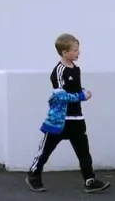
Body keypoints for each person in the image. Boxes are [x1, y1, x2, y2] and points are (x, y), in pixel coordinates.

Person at [27, 33, 109, 193]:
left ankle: (89, 180)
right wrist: (81, 96)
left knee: (84, 151)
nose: (79, 53)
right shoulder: (59, 71)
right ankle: (34, 175)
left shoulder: (76, 69)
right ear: (65, 53)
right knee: (45, 150)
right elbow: (59, 96)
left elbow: (74, 89)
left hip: (77, 119)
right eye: (76, 50)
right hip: (59, 120)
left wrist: (83, 91)